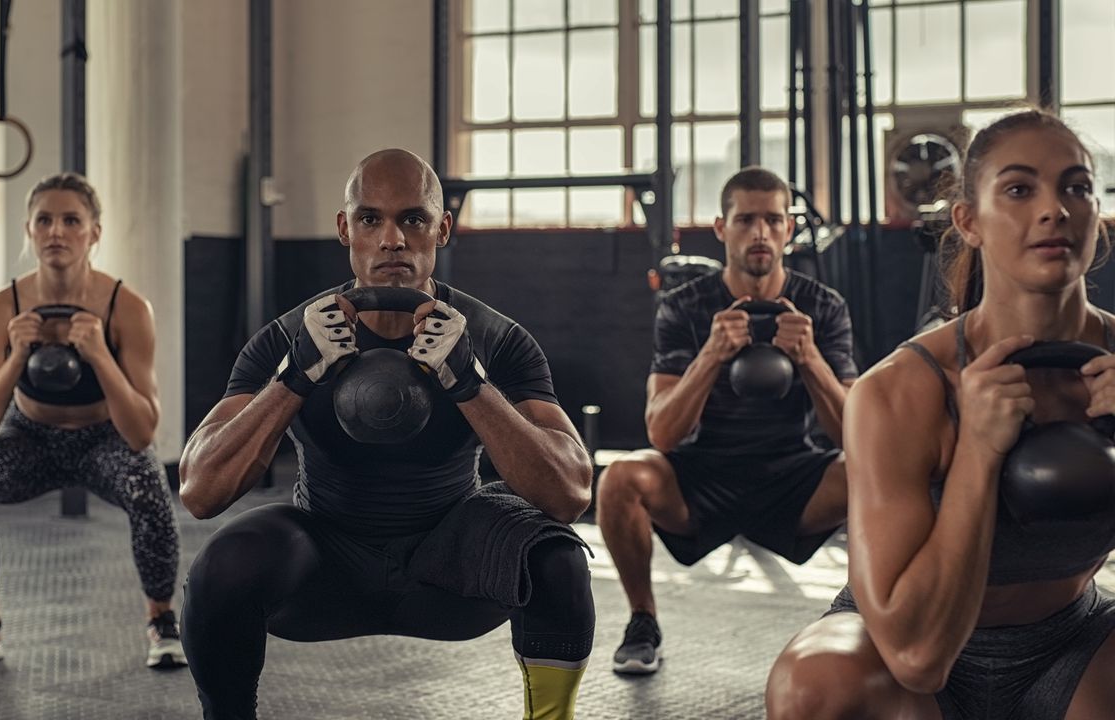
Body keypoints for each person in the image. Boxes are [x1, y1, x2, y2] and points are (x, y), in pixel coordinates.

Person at [177, 149, 596, 720]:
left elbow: (571, 492)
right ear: (344, 229)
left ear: (442, 228)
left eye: (414, 219)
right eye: (371, 219)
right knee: (221, 568)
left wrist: (470, 383)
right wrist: (295, 376)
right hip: (326, 560)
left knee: (558, 561)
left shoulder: (497, 339)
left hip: (451, 565)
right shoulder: (287, 338)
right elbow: (200, 490)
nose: (392, 239)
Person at [765, 109, 1115, 719]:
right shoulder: (899, 392)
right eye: (1019, 188)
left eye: (1076, 186)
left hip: (1073, 643)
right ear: (969, 221)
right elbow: (917, 655)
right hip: (901, 653)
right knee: (814, 688)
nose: (1054, 208)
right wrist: (978, 452)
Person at [597, 166, 857, 675]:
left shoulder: (823, 308)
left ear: (789, 228)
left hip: (793, 475)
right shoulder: (683, 307)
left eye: (773, 220)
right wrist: (711, 355)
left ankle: (861, 617)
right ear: (722, 228)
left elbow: (853, 434)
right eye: (746, 220)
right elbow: (662, 432)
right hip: (703, 475)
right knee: (620, 479)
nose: (760, 233)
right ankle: (642, 620)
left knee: (872, 470)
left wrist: (810, 360)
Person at [0, 173, 185, 672]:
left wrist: (99, 356)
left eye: (71, 220)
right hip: (28, 436)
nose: (57, 232)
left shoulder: (128, 308)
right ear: (28, 231)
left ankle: (161, 619)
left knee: (150, 489)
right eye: (44, 220)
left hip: (104, 439)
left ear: (94, 233)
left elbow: (141, 433)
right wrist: (17, 357)